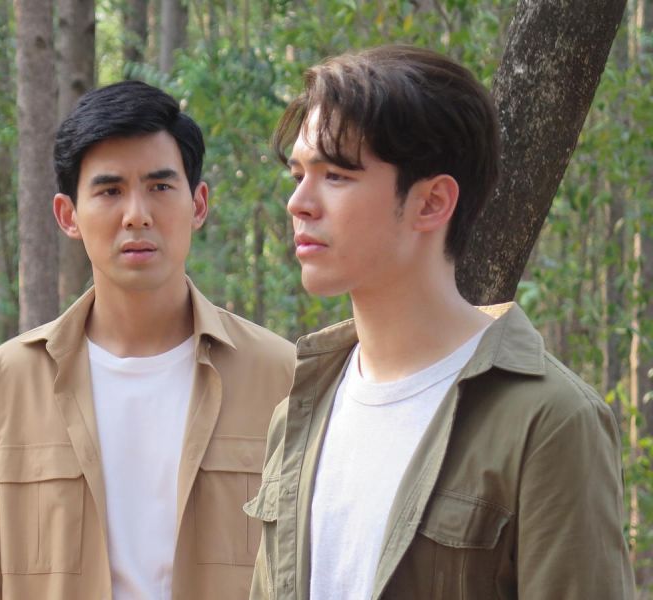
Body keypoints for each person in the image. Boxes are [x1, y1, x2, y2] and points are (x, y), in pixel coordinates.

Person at [246, 45, 634, 600]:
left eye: (335, 175)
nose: (298, 203)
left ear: (431, 203)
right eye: (298, 174)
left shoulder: (548, 420)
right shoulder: (300, 413)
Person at [0, 80, 295, 600]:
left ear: (198, 204)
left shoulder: (281, 377)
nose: (136, 214)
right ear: (68, 216)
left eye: (159, 187)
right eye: (109, 191)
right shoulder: (4, 384)